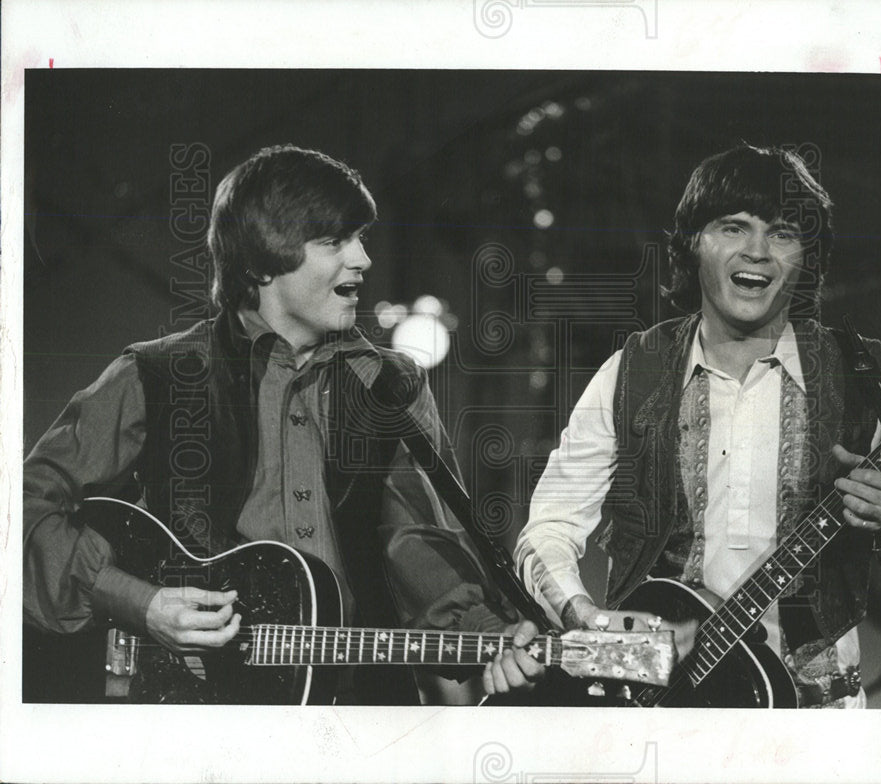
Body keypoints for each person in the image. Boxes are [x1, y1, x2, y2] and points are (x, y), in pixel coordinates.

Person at [23, 143, 542, 704]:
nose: (363, 259)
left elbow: (417, 545)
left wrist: (488, 638)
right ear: (262, 261)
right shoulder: (157, 373)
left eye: (361, 238)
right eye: (335, 240)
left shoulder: (391, 384)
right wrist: (140, 603)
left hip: (357, 713)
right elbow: (21, 510)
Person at [514, 144, 881, 708]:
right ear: (693, 243)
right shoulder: (632, 371)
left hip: (818, 722)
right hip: (664, 708)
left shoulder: (870, 373)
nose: (758, 252)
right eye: (733, 227)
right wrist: (587, 620)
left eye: (783, 233)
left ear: (807, 259)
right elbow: (548, 527)